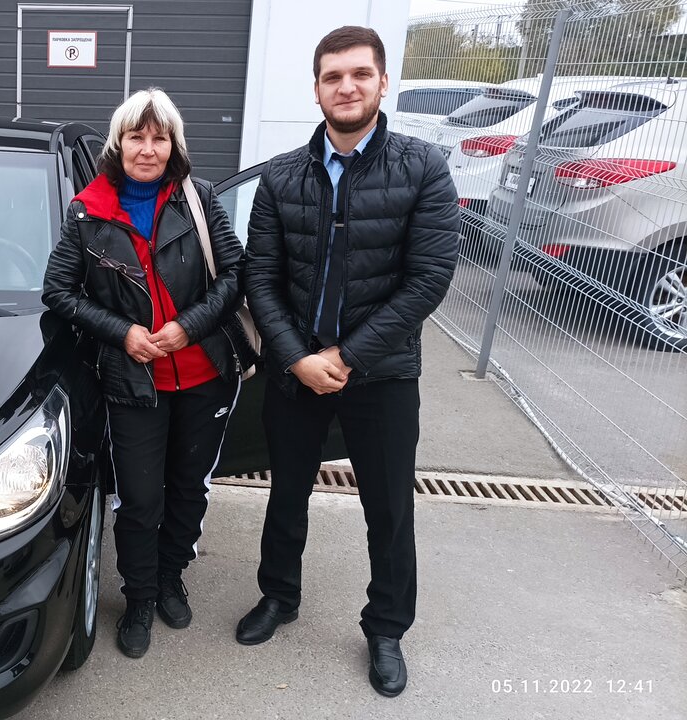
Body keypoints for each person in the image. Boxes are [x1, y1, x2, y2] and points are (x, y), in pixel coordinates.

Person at [236, 26, 459, 697]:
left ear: (383, 82)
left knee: (388, 508)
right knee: (286, 492)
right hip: (296, 372)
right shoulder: (281, 177)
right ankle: (279, 594)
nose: (347, 87)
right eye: (333, 76)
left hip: (383, 375)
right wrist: (297, 357)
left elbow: (428, 278)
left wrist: (349, 356)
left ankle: (386, 627)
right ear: (317, 90)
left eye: (360, 74)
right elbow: (260, 279)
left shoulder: (422, 168)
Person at [43, 88, 252, 659]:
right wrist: (123, 332)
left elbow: (235, 274)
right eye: (137, 136)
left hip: (204, 374)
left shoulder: (199, 198)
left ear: (173, 145)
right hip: (134, 381)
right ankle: (138, 597)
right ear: (119, 142)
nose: (148, 148)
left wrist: (188, 327)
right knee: (138, 499)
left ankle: (169, 577)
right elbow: (58, 291)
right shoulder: (87, 211)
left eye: (160, 138)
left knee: (189, 487)